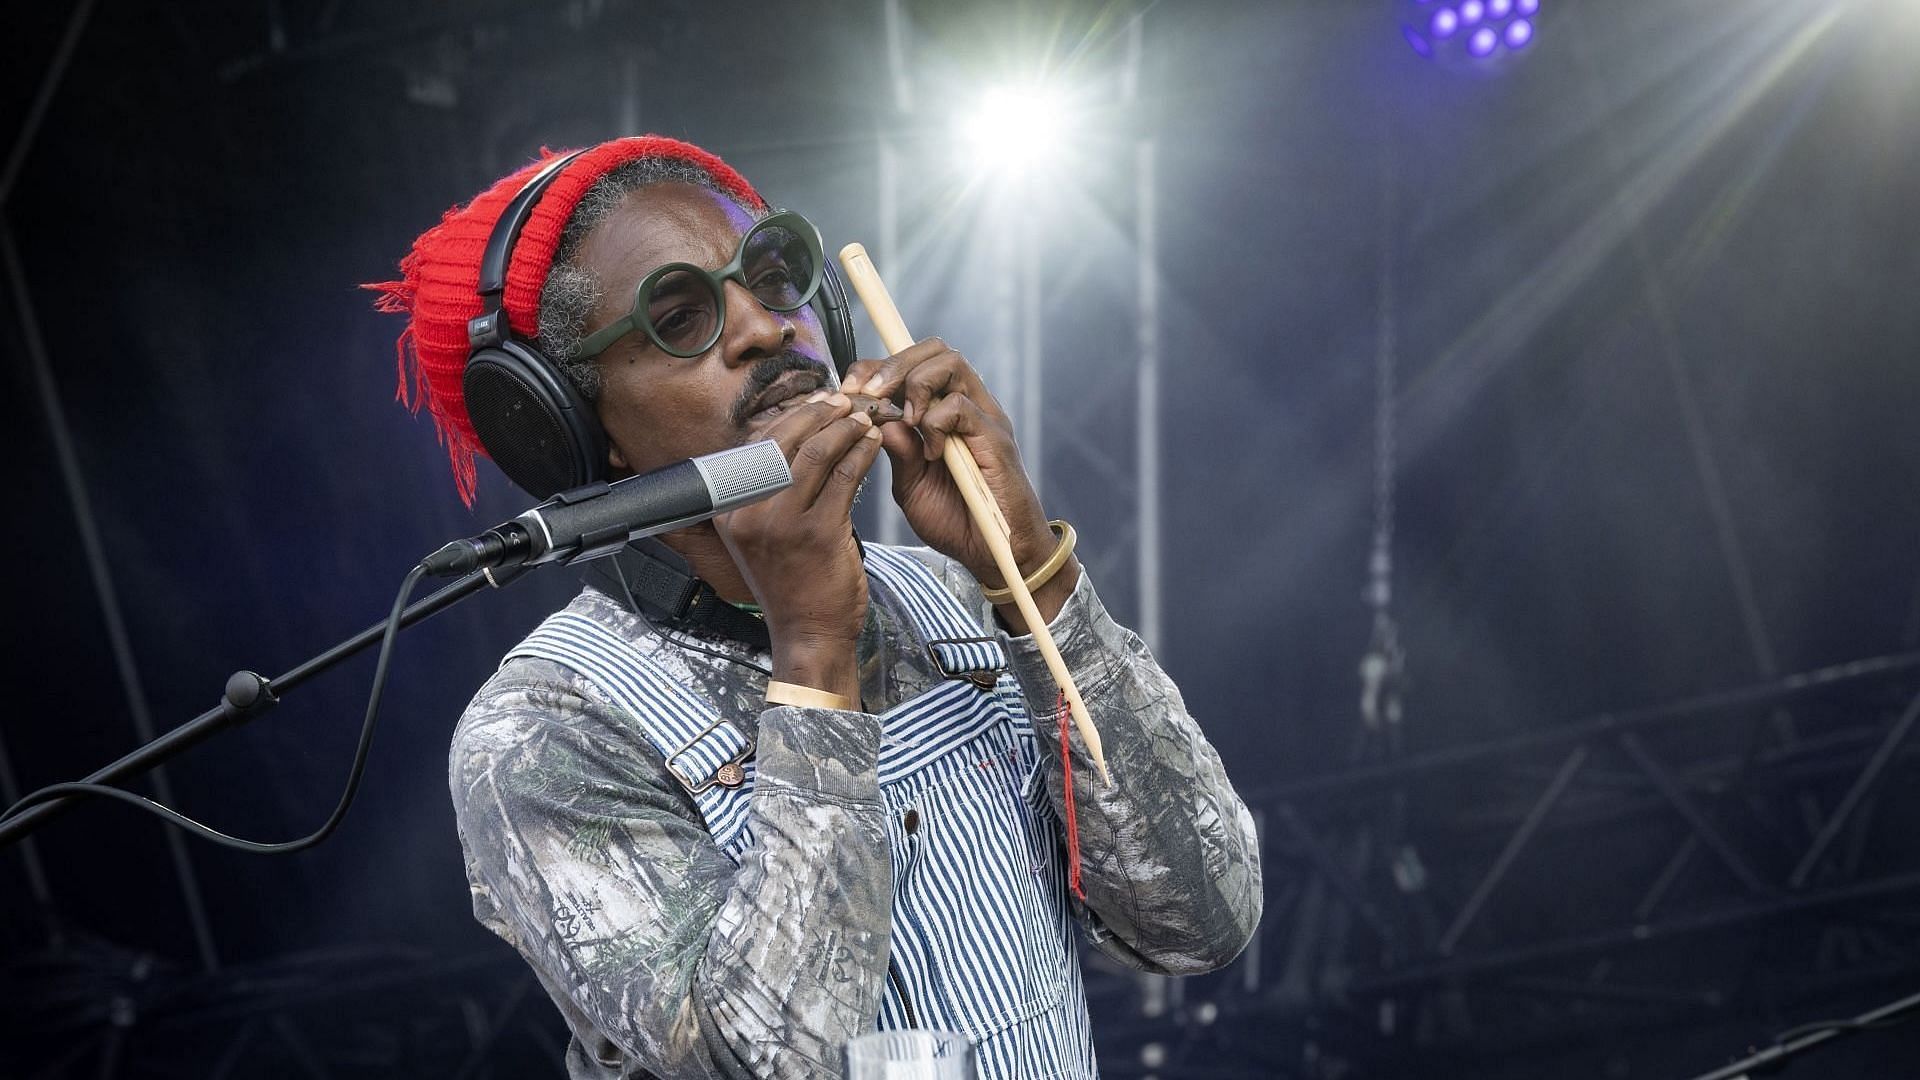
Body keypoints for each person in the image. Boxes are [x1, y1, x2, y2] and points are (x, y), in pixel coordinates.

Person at [370, 135, 1262, 1079]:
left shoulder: (953, 599)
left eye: (773, 278)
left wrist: (1030, 571)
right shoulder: (547, 733)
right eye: (682, 317)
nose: (765, 328)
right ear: (580, 429)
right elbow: (776, 1066)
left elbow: (1202, 922)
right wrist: (813, 650)